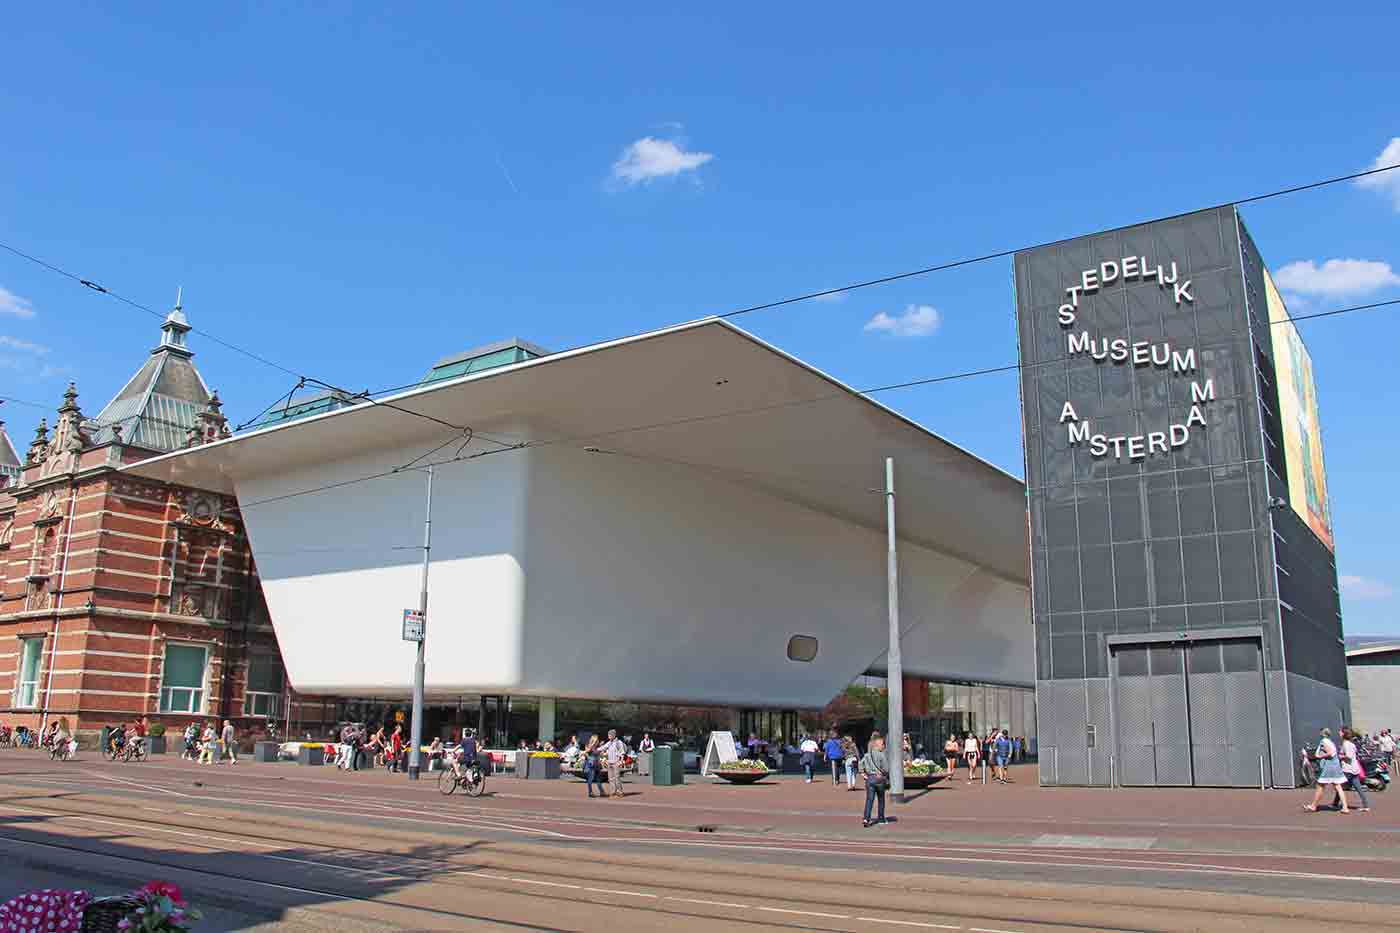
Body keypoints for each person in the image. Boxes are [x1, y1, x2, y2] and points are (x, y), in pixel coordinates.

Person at [1304, 727, 1349, 813]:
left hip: (1329, 767)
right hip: (1335, 766)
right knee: (1338, 786)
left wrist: (1319, 756)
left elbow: (1330, 753)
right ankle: (1345, 807)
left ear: (1322, 733)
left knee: (1320, 786)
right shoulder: (1330, 741)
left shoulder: (1324, 741)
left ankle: (1313, 806)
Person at [859, 733, 890, 828]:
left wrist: (863, 774)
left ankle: (866, 818)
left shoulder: (867, 755)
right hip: (879, 779)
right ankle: (881, 818)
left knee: (869, 800)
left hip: (869, 779)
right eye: (882, 744)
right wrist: (884, 774)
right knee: (881, 799)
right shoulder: (882, 755)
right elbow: (886, 768)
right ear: (878, 745)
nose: (884, 746)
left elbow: (860, 764)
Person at [1340, 728, 1371, 813]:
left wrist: (1341, 756)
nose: (1339, 733)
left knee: (1339, 786)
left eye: (1340, 732)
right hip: (1354, 769)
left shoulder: (1346, 744)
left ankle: (1337, 804)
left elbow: (1349, 756)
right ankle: (1366, 805)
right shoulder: (1351, 744)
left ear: (1343, 734)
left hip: (1348, 769)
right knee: (1357, 788)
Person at [602, 729, 628, 798]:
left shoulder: (618, 742)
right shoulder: (609, 743)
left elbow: (622, 752)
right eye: (608, 735)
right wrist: (594, 749)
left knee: (617, 778)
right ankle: (613, 792)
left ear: (613, 735)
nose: (608, 736)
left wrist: (621, 761)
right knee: (611, 778)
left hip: (616, 762)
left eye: (609, 735)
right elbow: (603, 748)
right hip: (610, 762)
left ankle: (620, 792)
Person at [583, 734, 604, 798]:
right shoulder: (589, 746)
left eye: (597, 740)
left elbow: (600, 755)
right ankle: (590, 792)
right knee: (591, 779)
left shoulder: (597, 747)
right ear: (593, 740)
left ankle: (602, 792)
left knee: (598, 779)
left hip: (597, 765)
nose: (597, 741)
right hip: (591, 765)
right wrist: (592, 745)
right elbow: (585, 752)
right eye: (596, 740)